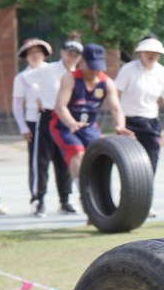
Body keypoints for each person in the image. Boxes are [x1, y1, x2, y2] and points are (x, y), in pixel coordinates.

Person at [51, 43, 132, 187]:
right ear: (83, 61)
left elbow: (116, 109)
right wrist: (71, 123)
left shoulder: (107, 83)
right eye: (91, 66)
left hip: (89, 126)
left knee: (97, 154)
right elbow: (60, 105)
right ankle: (82, 191)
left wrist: (120, 126)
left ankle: (97, 189)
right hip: (64, 125)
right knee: (78, 153)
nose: (95, 71)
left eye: (98, 67)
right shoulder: (70, 78)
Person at [23, 38, 80, 215]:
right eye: (69, 53)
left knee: (65, 160)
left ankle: (65, 200)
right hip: (48, 116)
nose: (72, 57)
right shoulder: (48, 69)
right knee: (41, 161)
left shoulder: (78, 73)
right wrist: (37, 96)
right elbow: (25, 78)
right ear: (62, 53)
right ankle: (38, 200)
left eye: (76, 54)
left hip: (67, 119)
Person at [115, 36, 164, 175]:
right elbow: (115, 93)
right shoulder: (128, 69)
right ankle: (130, 192)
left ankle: (146, 191)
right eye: (147, 51)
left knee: (152, 158)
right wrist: (118, 118)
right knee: (128, 161)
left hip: (150, 121)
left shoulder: (163, 72)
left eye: (155, 52)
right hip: (128, 121)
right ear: (140, 52)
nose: (151, 54)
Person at [12, 38, 48, 212]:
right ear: (26, 56)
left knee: (62, 162)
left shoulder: (53, 71)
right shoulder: (21, 77)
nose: (35, 55)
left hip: (56, 119)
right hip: (35, 120)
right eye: (31, 52)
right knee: (37, 162)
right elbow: (17, 104)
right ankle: (38, 199)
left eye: (38, 52)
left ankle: (66, 200)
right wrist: (24, 127)